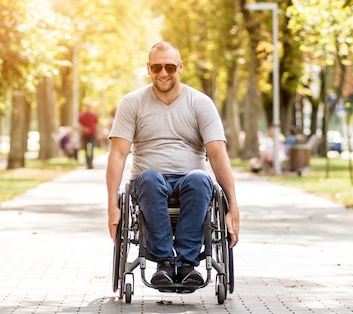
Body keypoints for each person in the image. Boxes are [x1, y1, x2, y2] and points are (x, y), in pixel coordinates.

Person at [106, 41, 240, 286]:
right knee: (149, 177)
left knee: (200, 179)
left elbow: (218, 154)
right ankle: (164, 262)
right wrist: (112, 204)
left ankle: (187, 264)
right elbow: (117, 155)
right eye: (156, 68)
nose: (163, 73)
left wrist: (233, 205)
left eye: (169, 67)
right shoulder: (132, 103)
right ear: (148, 69)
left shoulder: (200, 103)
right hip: (148, 183)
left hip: (191, 181)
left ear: (180, 67)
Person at [78, 104, 98, 169]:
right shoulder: (82, 115)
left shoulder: (94, 115)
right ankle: (87, 163)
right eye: (87, 108)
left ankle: (91, 163)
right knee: (86, 150)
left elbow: (96, 124)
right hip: (84, 135)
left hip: (93, 135)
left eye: (89, 108)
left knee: (92, 149)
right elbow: (79, 124)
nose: (88, 109)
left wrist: (98, 133)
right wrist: (84, 129)